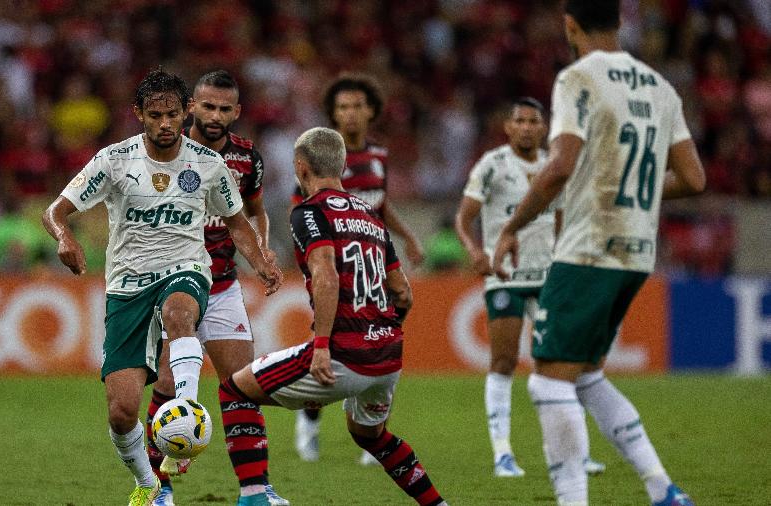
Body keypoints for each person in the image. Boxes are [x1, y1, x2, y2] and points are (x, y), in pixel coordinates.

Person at [491, 1, 704, 504]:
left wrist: (512, 226)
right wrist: (626, 190)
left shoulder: (577, 78)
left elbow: (560, 164)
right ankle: (662, 489)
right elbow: (694, 178)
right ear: (619, 22)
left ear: (570, 25)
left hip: (587, 250)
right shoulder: (660, 86)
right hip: (636, 252)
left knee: (548, 383)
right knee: (585, 374)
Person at [42, 69, 282, 506]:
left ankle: (188, 416)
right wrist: (65, 236)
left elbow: (237, 222)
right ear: (139, 115)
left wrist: (261, 261)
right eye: (156, 115)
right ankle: (149, 484)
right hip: (128, 286)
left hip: (187, 268)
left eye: (173, 114)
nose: (166, 124)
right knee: (121, 412)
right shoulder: (115, 161)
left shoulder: (209, 166)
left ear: (183, 111)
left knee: (180, 314)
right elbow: (55, 211)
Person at [220, 126, 447, 506]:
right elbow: (402, 291)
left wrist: (323, 345)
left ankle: (255, 497)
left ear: (300, 167)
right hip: (388, 355)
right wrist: (382, 333)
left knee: (235, 391)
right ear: (342, 167)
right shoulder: (371, 216)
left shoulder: (309, 213)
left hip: (342, 352)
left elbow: (325, 273)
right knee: (370, 436)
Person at [141, 70, 289, 506]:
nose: (215, 115)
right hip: (172, 285)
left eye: (225, 109)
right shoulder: (164, 152)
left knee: (243, 384)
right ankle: (156, 488)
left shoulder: (247, 158)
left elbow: (255, 212)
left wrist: (260, 252)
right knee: (168, 383)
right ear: (191, 107)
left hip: (223, 286)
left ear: (237, 112)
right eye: (207, 106)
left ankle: (255, 492)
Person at [455, 97, 605, 478]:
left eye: (532, 121)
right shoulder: (492, 165)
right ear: (508, 127)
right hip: (505, 276)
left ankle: (572, 451)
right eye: (518, 120)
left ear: (543, 127)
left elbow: (562, 220)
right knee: (504, 361)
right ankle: (502, 452)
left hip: (550, 277)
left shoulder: (555, 166)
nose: (525, 126)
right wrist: (475, 250)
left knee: (563, 362)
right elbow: (464, 217)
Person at [291, 72, 425, 465]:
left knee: (378, 337)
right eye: (342, 107)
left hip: (373, 261)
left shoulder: (379, 157)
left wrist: (409, 238)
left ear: (371, 111)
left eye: (357, 106)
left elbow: (379, 207)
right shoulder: (323, 158)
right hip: (334, 260)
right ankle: (310, 420)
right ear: (333, 113)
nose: (350, 114)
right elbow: (301, 206)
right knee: (329, 339)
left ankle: (371, 423)